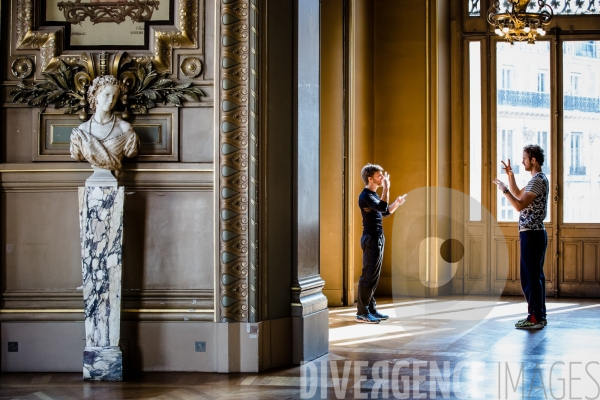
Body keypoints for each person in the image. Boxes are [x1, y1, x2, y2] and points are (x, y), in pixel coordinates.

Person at [493, 145, 549, 330]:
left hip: (532, 233)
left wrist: (503, 190)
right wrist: (510, 176)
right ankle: (538, 316)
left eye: (524, 158)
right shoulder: (537, 179)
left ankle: (534, 318)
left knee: (530, 278)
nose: (522, 161)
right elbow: (519, 195)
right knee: (535, 276)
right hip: (534, 233)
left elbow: (518, 205)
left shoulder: (537, 180)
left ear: (533, 160)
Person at [356, 164, 405, 324]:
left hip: (377, 237)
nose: (382, 178)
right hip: (371, 238)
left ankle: (371, 309)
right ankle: (362, 313)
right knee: (368, 276)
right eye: (379, 176)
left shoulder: (373, 196)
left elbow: (385, 212)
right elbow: (383, 206)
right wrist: (386, 188)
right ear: (370, 178)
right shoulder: (366, 196)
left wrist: (396, 203)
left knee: (374, 276)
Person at [70, 75, 139, 171]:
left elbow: (131, 152)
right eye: (107, 95)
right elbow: (78, 155)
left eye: (114, 97)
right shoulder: (82, 131)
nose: (111, 100)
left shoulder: (125, 129)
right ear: (95, 95)